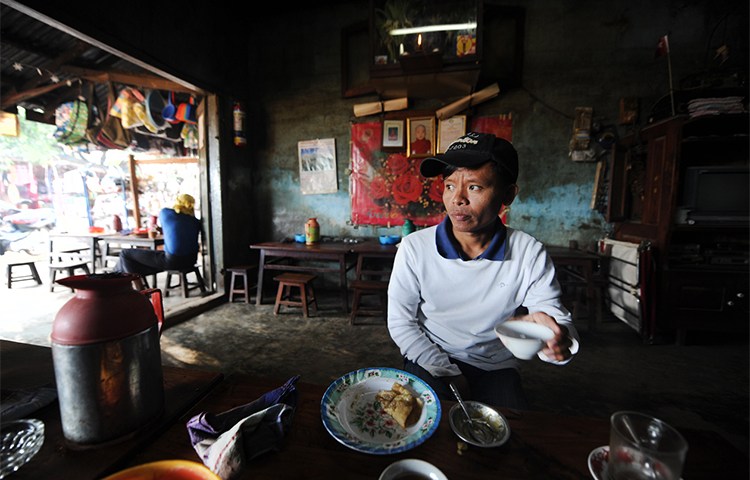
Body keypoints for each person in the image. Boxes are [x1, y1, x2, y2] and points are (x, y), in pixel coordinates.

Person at [387, 132, 579, 410]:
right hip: (430, 356)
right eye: (450, 186)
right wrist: (448, 371)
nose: (457, 199)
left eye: (475, 187)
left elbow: (554, 317)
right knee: (425, 423)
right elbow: (401, 323)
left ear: (508, 194)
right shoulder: (414, 248)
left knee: (505, 435)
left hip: (495, 365)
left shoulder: (528, 252)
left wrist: (558, 340)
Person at [115, 193, 202, 288]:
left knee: (125, 254)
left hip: (173, 261)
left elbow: (167, 219)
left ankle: (140, 291)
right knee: (131, 263)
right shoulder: (195, 221)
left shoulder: (166, 213)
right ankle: (119, 277)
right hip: (192, 260)